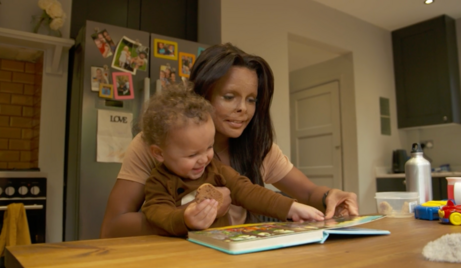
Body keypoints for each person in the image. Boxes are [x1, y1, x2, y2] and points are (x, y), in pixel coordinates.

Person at [100, 43, 358, 238]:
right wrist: (195, 213)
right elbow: (112, 227)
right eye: (229, 96)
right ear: (201, 96)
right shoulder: (153, 144)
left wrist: (329, 196)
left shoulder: (258, 148)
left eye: (251, 99)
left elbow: (306, 192)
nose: (243, 109)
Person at [140, 86, 324, 236]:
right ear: (159, 153)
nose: (204, 159)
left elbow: (248, 191)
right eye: (192, 155)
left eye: (209, 147)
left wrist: (291, 208)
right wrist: (185, 218)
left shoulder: (216, 170)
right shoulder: (158, 181)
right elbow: (157, 212)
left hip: (220, 253)